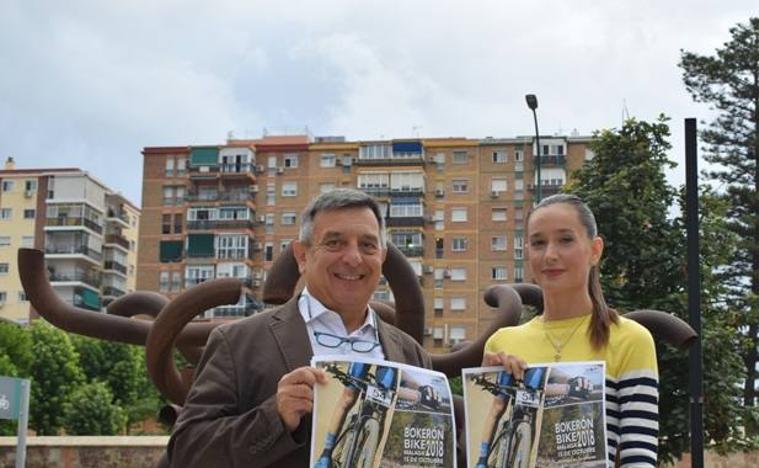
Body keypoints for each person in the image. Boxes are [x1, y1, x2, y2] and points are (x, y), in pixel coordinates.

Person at [168, 188, 431, 467]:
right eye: (334, 243)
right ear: (302, 256)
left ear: (382, 257)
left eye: (367, 245)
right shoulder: (237, 342)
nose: (354, 258)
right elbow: (186, 452)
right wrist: (274, 418)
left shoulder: (411, 353)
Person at [483, 193, 659, 466]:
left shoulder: (630, 339)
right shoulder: (501, 343)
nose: (550, 255)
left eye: (565, 240)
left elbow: (640, 458)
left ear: (595, 250)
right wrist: (483, 389)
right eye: (538, 243)